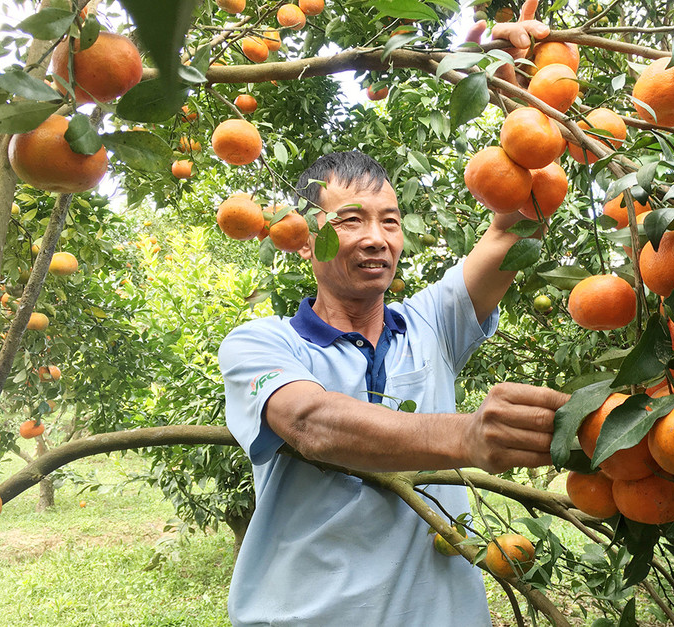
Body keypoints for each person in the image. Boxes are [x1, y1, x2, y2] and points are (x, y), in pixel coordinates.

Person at [220, 10, 563, 627]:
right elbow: (310, 422)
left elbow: (520, 219)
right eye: (351, 220)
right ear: (304, 239)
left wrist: (513, 94)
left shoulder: (432, 323)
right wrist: (467, 436)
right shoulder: (262, 343)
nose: (377, 238)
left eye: (390, 221)